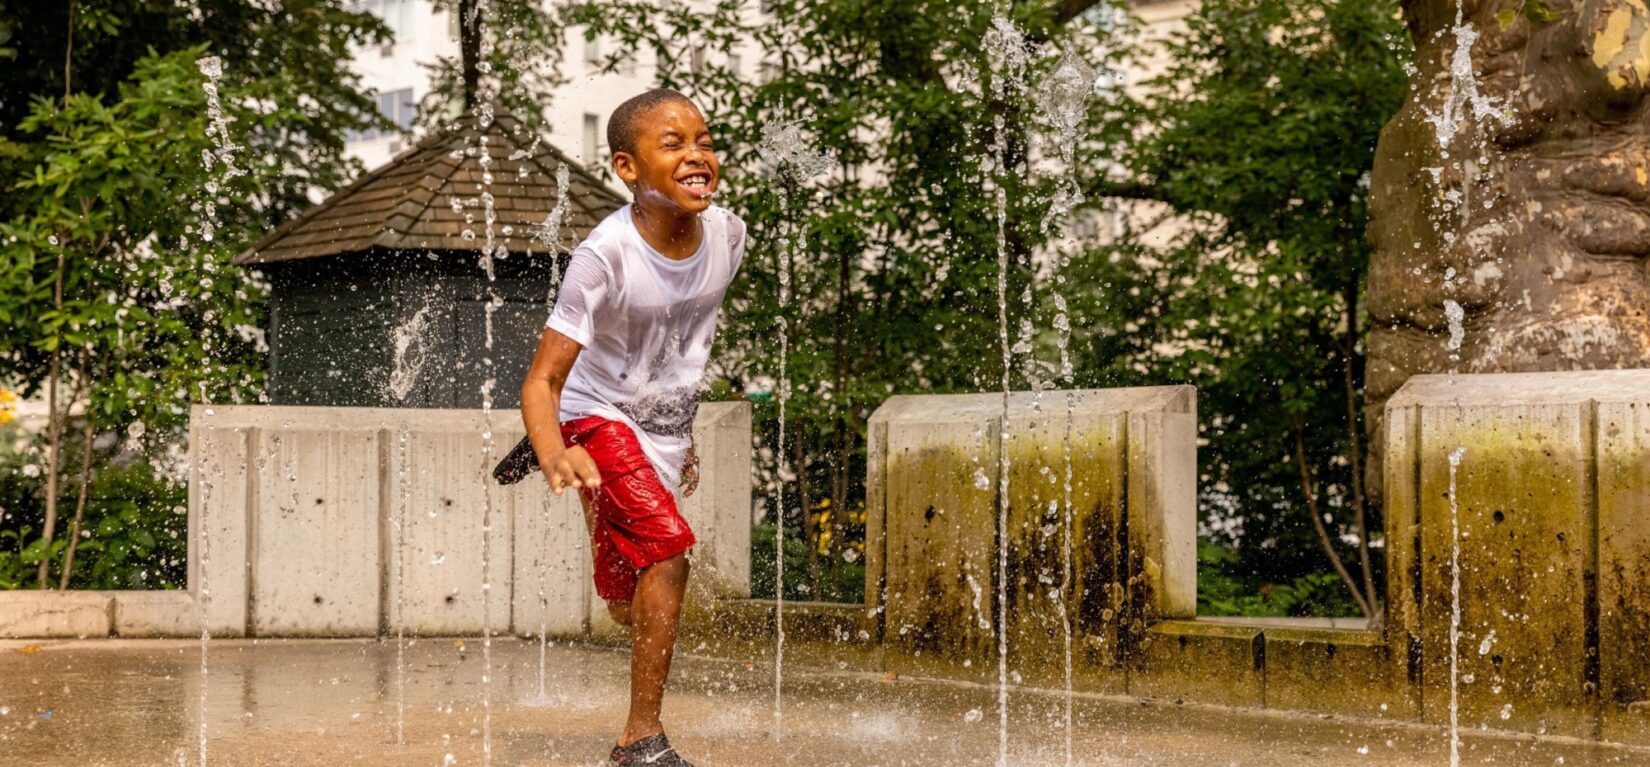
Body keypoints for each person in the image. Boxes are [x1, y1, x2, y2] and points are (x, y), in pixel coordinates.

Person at [518, 88, 743, 767]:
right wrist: (552, 446)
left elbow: (678, 340)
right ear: (628, 168)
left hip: (662, 431)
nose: (697, 155)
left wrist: (684, 429)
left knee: (625, 602)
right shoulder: (605, 254)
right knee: (668, 548)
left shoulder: (729, 235)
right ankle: (639, 739)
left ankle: (609, 516)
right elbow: (541, 380)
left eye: (703, 140)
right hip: (593, 414)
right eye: (672, 144)